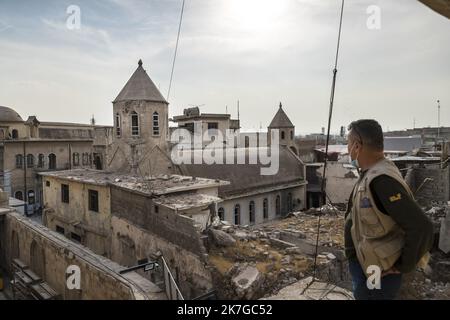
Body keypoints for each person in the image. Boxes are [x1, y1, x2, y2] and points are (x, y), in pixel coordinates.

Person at [345, 119, 434, 300]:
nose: (347, 149)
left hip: (376, 270)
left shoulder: (382, 181)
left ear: (356, 146)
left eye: (348, 143)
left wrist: (402, 265)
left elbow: (422, 226)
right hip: (367, 265)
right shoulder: (372, 172)